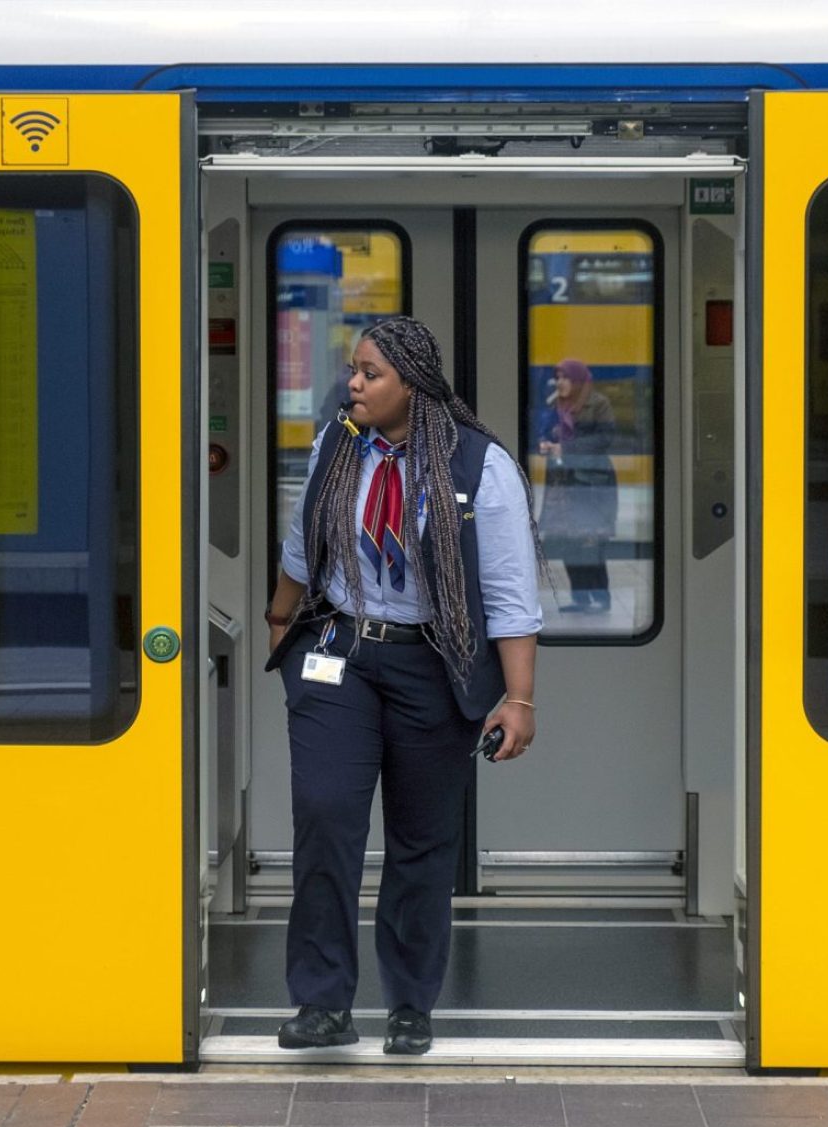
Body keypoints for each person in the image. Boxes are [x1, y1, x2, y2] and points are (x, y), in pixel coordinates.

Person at [264, 316, 543, 1055]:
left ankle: (411, 1004)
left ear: (413, 387)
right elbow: (301, 549)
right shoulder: (337, 446)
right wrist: (280, 631)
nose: (353, 384)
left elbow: (511, 593)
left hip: (433, 665)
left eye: (370, 374)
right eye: (353, 370)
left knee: (422, 841)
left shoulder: (480, 466)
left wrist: (518, 699)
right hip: (341, 656)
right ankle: (322, 1003)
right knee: (325, 816)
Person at [537, 358, 617, 612]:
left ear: (578, 380)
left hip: (591, 482)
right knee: (567, 541)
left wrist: (566, 448)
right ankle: (580, 599)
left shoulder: (598, 403)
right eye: (557, 377)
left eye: (565, 377)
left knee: (589, 541)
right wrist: (545, 444)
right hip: (563, 483)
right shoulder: (555, 405)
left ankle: (601, 598)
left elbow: (605, 439)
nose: (560, 382)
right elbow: (546, 431)